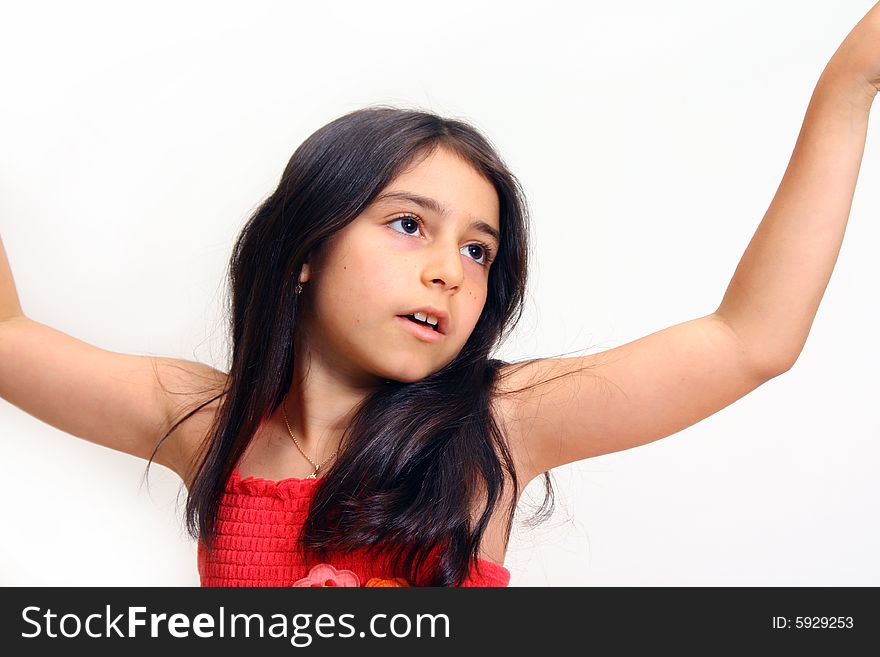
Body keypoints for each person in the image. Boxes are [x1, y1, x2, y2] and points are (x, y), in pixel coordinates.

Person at [1, 2, 879, 587]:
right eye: (409, 225)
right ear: (307, 244)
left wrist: (849, 86)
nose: (450, 270)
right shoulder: (210, 425)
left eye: (479, 249)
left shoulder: (495, 424)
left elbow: (747, 340)